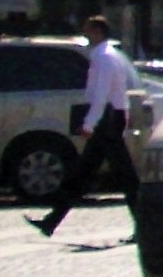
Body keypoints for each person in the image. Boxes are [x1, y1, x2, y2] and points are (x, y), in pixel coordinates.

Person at [33, 16, 139, 239]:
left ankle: (145, 226)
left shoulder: (104, 57)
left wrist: (90, 123)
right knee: (88, 172)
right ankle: (51, 221)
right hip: (112, 117)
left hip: (107, 119)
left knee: (122, 175)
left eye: (89, 30)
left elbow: (101, 94)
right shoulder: (110, 55)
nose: (86, 34)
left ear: (98, 32)